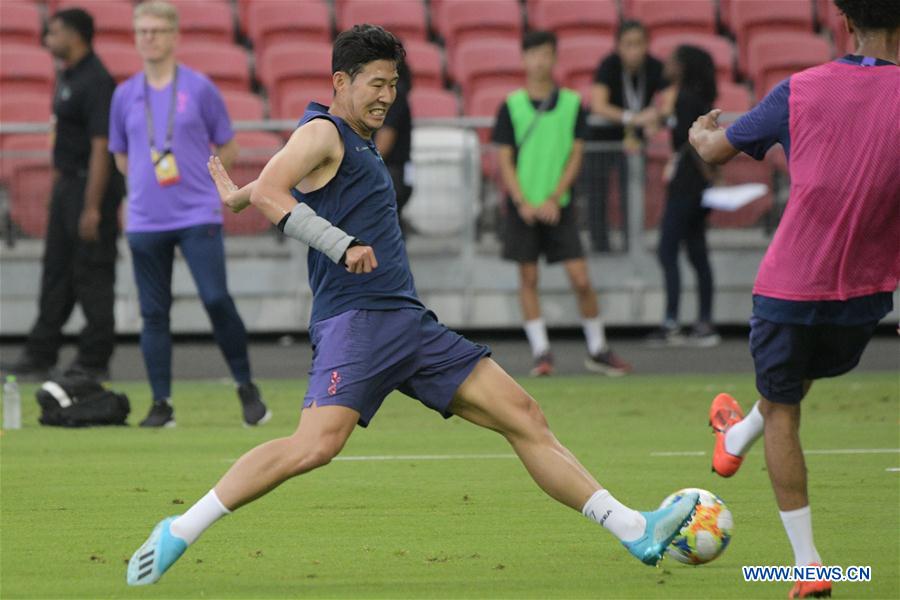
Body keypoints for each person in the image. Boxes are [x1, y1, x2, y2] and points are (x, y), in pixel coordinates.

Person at [125, 25, 699, 586]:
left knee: (524, 416)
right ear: (341, 82)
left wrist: (240, 195)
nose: (387, 96)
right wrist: (338, 242)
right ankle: (180, 528)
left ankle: (634, 529)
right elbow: (281, 187)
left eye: (393, 84)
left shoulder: (348, 138)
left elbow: (274, 185)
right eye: (376, 83)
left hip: (407, 321)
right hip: (358, 322)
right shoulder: (324, 131)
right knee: (315, 446)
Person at [690, 1, 899, 597]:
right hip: (866, 294)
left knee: (784, 407)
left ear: (844, 23)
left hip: (791, 284)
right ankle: (733, 438)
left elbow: (715, 150)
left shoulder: (801, 89)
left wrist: (701, 132)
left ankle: (808, 567)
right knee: (790, 383)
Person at [108, 1, 267, 428]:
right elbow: (121, 155)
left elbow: (228, 145)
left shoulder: (199, 88)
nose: (149, 38)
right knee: (153, 312)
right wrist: (143, 184)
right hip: (145, 219)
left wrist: (207, 182)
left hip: (198, 213)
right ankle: (162, 403)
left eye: (157, 30)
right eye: (142, 31)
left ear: (175, 36)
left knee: (216, 298)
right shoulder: (124, 94)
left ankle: (246, 385)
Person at [492, 30, 631, 377]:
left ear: (554, 58)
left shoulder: (571, 104)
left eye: (545, 54)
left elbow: (576, 155)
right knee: (528, 278)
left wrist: (555, 197)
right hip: (523, 208)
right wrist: (522, 201)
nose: (539, 61)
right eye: (533, 54)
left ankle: (598, 348)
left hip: (561, 206)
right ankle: (541, 352)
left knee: (581, 279)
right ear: (523, 59)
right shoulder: (510, 105)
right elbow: (504, 160)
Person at [1, 8, 124, 382]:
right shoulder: (68, 76)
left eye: (54, 33)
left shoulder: (97, 81)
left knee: (93, 273)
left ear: (75, 36)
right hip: (69, 185)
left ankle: (95, 358)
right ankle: (41, 351)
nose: (47, 39)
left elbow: (101, 146)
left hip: (91, 186)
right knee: (56, 270)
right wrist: (58, 191)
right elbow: (64, 140)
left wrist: (91, 207)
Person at [646, 46, 721, 348]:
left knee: (669, 250)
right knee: (697, 251)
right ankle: (704, 322)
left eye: (674, 60)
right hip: (694, 185)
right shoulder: (695, 100)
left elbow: (692, 145)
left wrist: (708, 176)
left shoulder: (686, 100)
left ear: (684, 67)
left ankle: (672, 322)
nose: (668, 64)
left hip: (687, 185)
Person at [588, 21, 668, 253]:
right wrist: (632, 118)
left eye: (638, 44)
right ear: (618, 46)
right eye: (628, 44)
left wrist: (657, 115)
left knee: (632, 189)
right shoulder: (608, 65)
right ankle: (600, 245)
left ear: (647, 45)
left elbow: (670, 99)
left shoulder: (655, 66)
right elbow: (598, 105)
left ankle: (631, 243)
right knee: (597, 192)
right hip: (601, 139)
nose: (634, 50)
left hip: (633, 141)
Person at [375, 59, 414, 235]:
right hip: (392, 173)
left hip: (390, 174)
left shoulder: (392, 94)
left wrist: (360, 168)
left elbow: (385, 139)